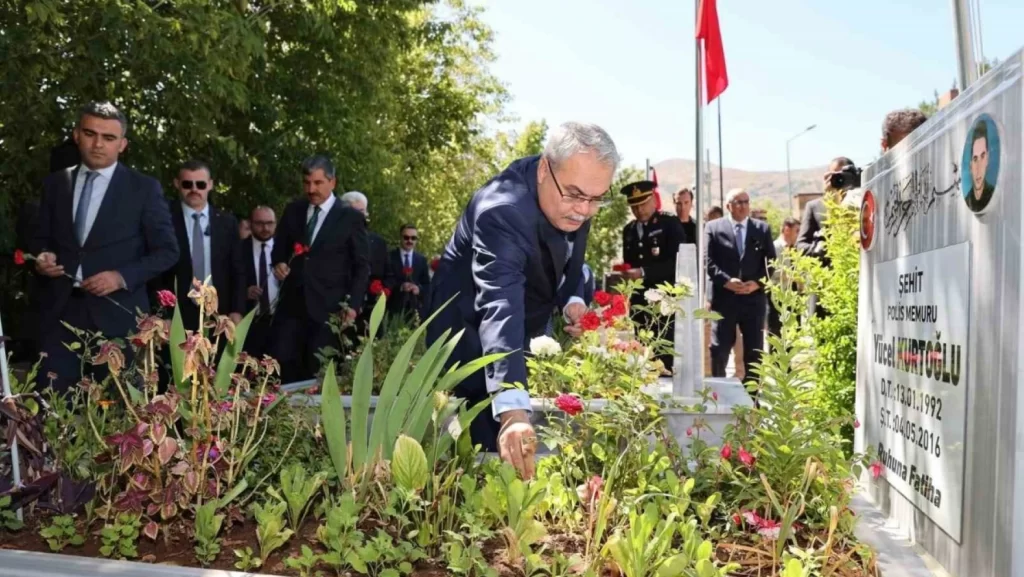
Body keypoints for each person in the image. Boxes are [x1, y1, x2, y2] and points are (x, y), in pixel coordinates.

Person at [425, 121, 618, 478]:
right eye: (576, 196)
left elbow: (565, 256)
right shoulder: (502, 210)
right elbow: (500, 305)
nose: (584, 211)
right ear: (545, 169)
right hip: (470, 338)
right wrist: (513, 410)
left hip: (521, 329)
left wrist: (572, 297)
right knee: (477, 457)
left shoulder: (575, 189)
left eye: (596, 199)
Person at [31, 101, 179, 392]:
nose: (98, 144)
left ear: (122, 144)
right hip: (60, 313)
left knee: (119, 419)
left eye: (109, 138)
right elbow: (41, 239)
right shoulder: (56, 184)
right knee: (49, 409)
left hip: (118, 317)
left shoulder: (143, 188)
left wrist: (120, 277)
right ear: (77, 135)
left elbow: (168, 251)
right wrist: (43, 258)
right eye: (90, 133)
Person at [270, 156, 370, 383]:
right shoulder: (293, 211)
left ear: (332, 182)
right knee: (284, 370)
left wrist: (353, 306)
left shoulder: (350, 217)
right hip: (291, 310)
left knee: (319, 375)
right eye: (306, 183)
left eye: (317, 183)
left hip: (329, 311)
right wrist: (279, 264)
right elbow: (279, 251)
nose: (311, 189)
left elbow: (362, 266)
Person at [158, 160, 246, 331]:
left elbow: (238, 270)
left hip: (219, 314)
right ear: (177, 184)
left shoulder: (227, 223)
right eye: (187, 184)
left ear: (210, 185)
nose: (194, 190)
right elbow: (155, 271)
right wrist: (161, 314)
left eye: (200, 184)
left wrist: (237, 309)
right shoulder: (163, 220)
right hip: (174, 315)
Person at [705, 188, 776, 386]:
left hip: (752, 301)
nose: (743, 205)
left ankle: (752, 399)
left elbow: (771, 263)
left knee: (754, 352)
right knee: (719, 350)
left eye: (746, 201)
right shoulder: (713, 227)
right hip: (725, 299)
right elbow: (708, 261)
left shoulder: (761, 229)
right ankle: (718, 394)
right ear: (728, 206)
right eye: (738, 202)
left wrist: (757, 283)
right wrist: (726, 281)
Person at [620, 179, 688, 373]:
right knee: (643, 354)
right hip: (640, 303)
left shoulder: (669, 224)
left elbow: (678, 262)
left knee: (664, 353)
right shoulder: (629, 231)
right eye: (634, 206)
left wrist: (644, 272)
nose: (639, 210)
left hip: (664, 302)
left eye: (642, 204)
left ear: (653, 201)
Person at [339, 191, 394, 335]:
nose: (359, 216)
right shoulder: (335, 242)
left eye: (362, 211)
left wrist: (381, 295)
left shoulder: (378, 243)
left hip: (370, 314)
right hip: (341, 311)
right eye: (355, 212)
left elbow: (389, 276)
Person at [242, 206, 279, 358]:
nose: (265, 228)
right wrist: (244, 292)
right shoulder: (238, 249)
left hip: (279, 321)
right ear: (250, 224)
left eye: (270, 223)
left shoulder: (285, 249)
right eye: (260, 223)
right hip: (250, 321)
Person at [388, 224, 431, 321]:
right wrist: (401, 286)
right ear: (400, 238)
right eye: (406, 237)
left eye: (413, 238)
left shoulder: (421, 260)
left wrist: (418, 289)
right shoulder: (389, 257)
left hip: (415, 311)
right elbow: (386, 279)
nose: (410, 241)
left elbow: (427, 285)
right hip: (393, 309)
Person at [768, 216, 800, 338]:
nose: (798, 235)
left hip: (790, 294)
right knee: (776, 331)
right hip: (777, 295)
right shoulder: (775, 247)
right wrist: (793, 276)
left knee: (791, 330)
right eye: (796, 231)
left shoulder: (793, 249)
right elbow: (773, 271)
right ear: (787, 230)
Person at [965, 120, 995, 212]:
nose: (979, 168)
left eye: (982, 156)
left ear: (987, 159)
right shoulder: (967, 201)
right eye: (975, 159)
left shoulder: (992, 195)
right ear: (970, 165)